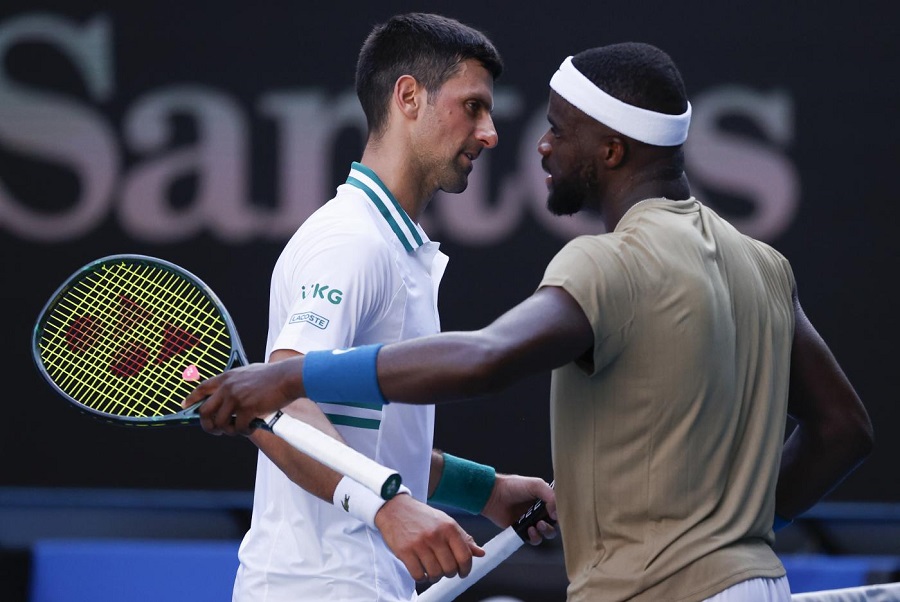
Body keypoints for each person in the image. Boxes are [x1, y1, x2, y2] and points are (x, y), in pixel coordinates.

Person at [187, 42, 874, 601]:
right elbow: (845, 429)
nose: (524, 143)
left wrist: (288, 379)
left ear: (611, 150)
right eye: (475, 107)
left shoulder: (606, 262)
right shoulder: (764, 265)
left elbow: (483, 359)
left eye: (558, 131)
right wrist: (734, 535)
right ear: (407, 98)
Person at [223, 13, 556, 602]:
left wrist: (486, 491)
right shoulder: (352, 242)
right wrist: (388, 506)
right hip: (320, 586)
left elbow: (372, 443)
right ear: (408, 97)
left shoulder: (386, 244)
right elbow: (277, 403)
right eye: (472, 107)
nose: (489, 133)